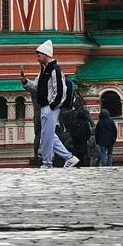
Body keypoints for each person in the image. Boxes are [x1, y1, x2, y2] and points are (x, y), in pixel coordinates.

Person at [23, 41, 80, 169]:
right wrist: (25, 81)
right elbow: (36, 87)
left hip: (50, 107)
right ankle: (69, 157)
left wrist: (53, 105)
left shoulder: (55, 69)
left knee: (47, 136)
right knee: (48, 135)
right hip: (46, 107)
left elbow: (60, 90)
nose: (37, 58)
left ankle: (47, 163)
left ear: (45, 54)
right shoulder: (44, 70)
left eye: (39, 55)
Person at [93, 93, 117, 167]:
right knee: (110, 153)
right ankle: (109, 165)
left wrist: (97, 140)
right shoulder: (111, 121)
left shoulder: (100, 122)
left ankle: (104, 165)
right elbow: (115, 130)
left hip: (102, 140)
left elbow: (96, 132)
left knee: (103, 153)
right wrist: (114, 138)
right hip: (110, 140)